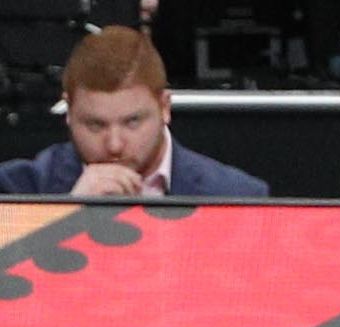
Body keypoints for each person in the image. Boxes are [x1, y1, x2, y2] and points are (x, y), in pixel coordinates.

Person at [0, 23, 270, 198]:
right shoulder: (18, 191)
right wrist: (70, 215)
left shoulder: (237, 197)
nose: (114, 145)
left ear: (164, 107)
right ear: (68, 111)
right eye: (95, 125)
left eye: (132, 122)